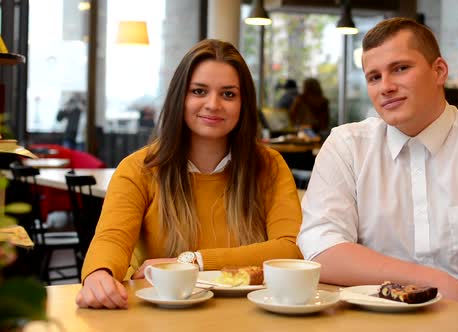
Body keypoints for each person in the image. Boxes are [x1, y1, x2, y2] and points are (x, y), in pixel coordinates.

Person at [297, 18, 458, 320]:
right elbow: (321, 249)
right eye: (374, 77)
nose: (386, 87)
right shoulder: (347, 145)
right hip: (376, 326)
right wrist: (435, 282)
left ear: (439, 71)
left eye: (400, 68)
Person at [76, 39, 303, 309]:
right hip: (166, 317)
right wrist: (98, 274)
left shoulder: (270, 165)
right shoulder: (139, 169)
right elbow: (111, 238)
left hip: (252, 314)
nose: (213, 104)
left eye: (228, 94)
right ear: (179, 97)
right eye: (199, 91)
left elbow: (291, 249)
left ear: (244, 104)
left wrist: (194, 261)